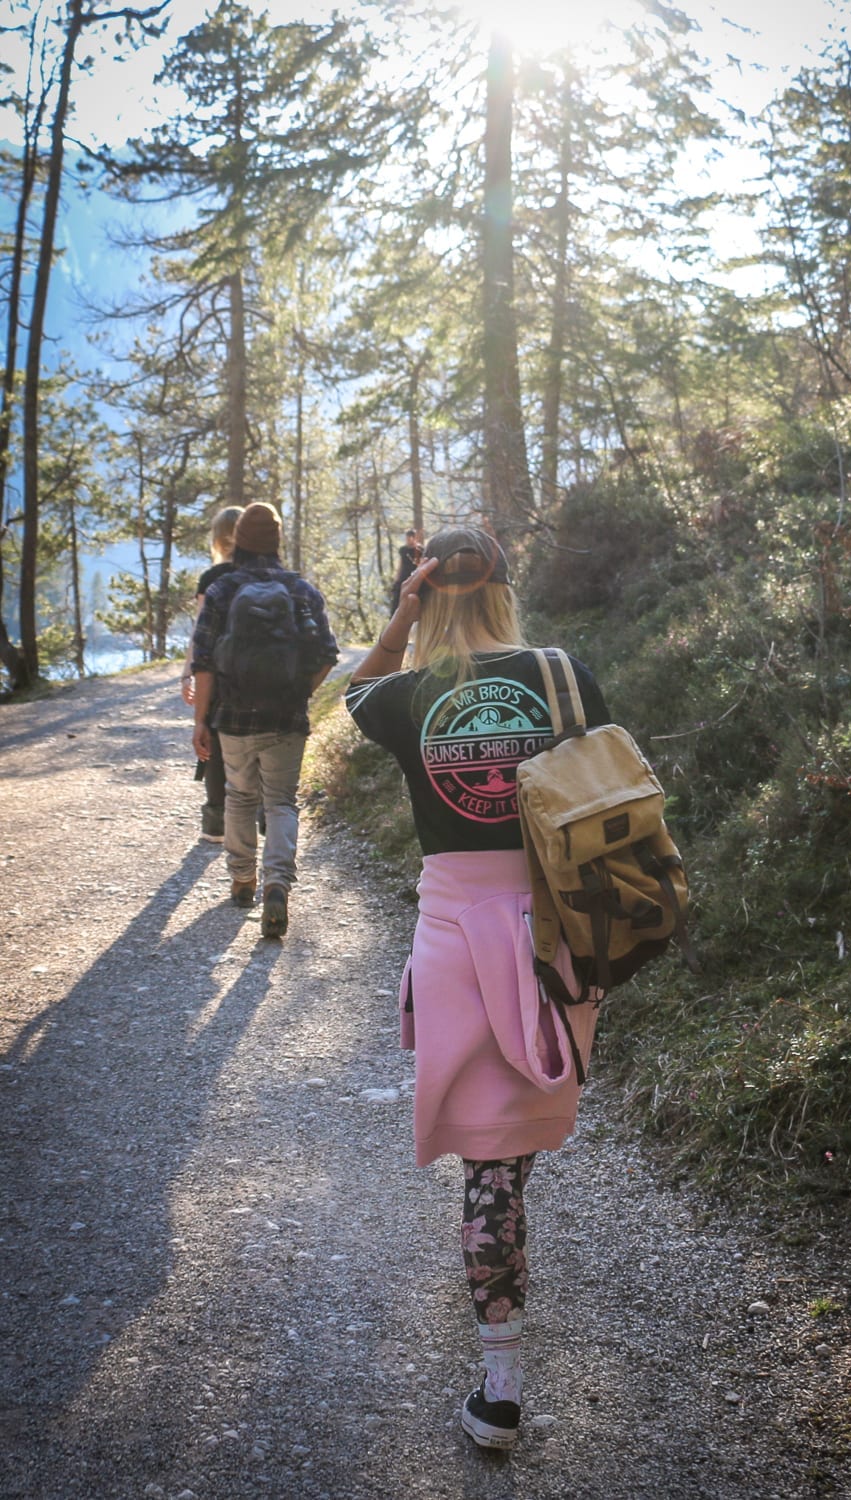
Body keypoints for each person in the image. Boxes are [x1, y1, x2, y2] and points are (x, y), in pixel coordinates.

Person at [344, 524, 609, 1451]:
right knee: (511, 1158)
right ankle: (498, 1367)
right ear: (504, 588)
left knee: (489, 1165)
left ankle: (502, 1384)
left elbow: (350, 692)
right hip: (556, 930)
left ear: (425, 596)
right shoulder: (562, 674)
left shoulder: (411, 693)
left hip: (457, 939)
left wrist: (398, 622)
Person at [191, 502, 338, 938]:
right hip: (285, 717)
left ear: (237, 540)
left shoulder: (222, 589)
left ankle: (242, 879)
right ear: (277, 541)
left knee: (238, 795)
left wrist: (201, 720)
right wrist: (299, 692)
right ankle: (277, 884)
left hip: (232, 718)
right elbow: (328, 654)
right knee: (280, 801)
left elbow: (203, 661)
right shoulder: (301, 591)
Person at [181, 505, 243, 841]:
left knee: (214, 744)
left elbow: (199, 632)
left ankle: (216, 822)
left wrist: (187, 674)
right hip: (257, 671)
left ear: (218, 537)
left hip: (216, 672)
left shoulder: (212, 577)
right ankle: (260, 814)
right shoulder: (266, 574)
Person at [388, 527, 423, 614]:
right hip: (404, 576)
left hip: (415, 576)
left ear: (414, 538)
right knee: (397, 599)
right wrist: (396, 579)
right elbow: (400, 565)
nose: (408, 540)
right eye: (407, 538)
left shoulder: (420, 550)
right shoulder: (403, 550)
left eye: (410, 538)